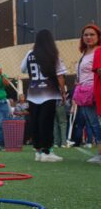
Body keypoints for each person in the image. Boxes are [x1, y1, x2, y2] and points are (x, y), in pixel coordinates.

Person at [21, 29, 67, 162]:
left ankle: (38, 151)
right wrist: (63, 92)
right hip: (50, 92)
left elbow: (22, 68)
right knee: (46, 122)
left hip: (33, 92)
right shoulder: (53, 54)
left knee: (35, 121)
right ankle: (47, 151)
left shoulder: (30, 53)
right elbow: (60, 75)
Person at [78, 23, 101, 163]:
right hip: (84, 92)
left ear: (98, 36)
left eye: (92, 34)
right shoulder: (84, 53)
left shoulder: (99, 51)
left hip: (95, 90)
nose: (88, 37)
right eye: (86, 34)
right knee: (92, 122)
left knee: (96, 122)